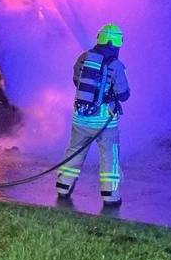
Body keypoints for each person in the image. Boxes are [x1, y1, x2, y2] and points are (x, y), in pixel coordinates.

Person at [56, 23, 131, 206]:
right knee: (109, 155)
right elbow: (124, 94)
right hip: (104, 121)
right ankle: (110, 194)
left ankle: (63, 186)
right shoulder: (116, 65)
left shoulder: (83, 58)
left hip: (80, 117)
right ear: (116, 43)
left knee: (74, 151)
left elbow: (76, 80)